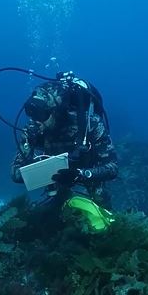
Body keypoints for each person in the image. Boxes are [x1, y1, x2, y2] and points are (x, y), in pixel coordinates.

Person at [11, 71, 118, 205]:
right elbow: (16, 173)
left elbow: (112, 167)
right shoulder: (33, 128)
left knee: (98, 215)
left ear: (56, 112)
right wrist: (39, 168)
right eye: (32, 114)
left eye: (41, 114)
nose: (36, 120)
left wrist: (79, 174)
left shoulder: (90, 124)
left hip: (89, 184)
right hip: (57, 189)